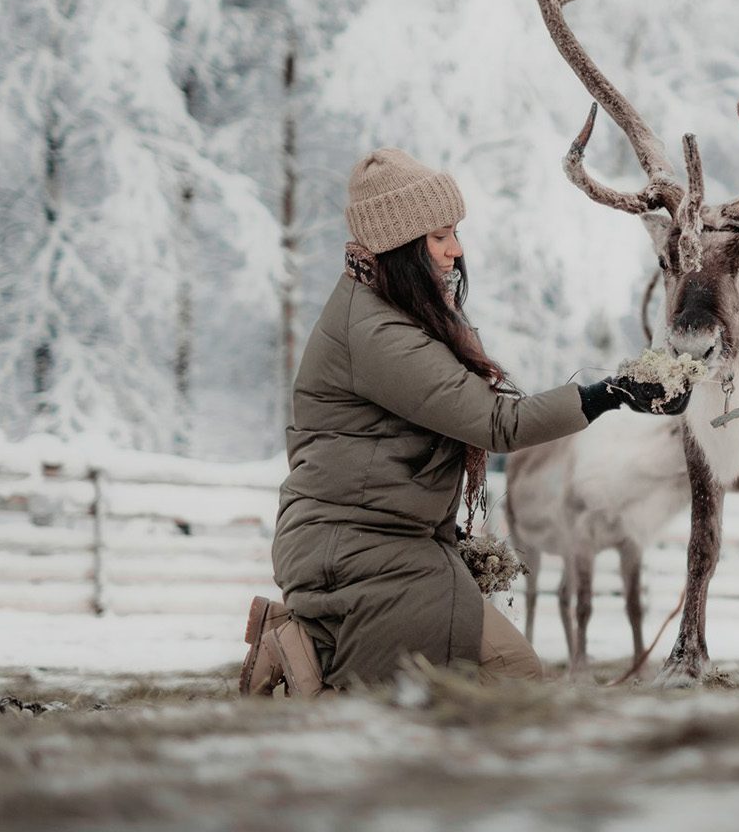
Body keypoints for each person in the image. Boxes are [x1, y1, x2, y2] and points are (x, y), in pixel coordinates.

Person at [241, 147, 685, 694]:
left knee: (474, 683)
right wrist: (608, 393)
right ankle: (305, 651)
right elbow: (497, 424)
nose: (456, 250)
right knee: (489, 681)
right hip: (357, 550)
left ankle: (311, 645)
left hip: (388, 543)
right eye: (439, 237)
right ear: (400, 246)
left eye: (454, 233)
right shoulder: (378, 333)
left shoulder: (392, 307)